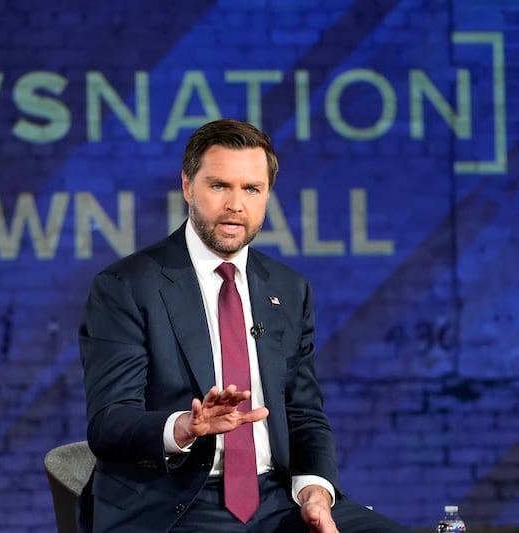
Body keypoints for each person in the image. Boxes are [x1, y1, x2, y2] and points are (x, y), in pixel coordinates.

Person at [77, 119, 409, 532]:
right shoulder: (126, 287)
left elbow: (304, 415)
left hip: (275, 497)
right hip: (177, 501)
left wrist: (315, 493)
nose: (236, 204)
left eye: (251, 189)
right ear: (187, 186)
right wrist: (186, 426)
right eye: (219, 186)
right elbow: (109, 423)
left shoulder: (288, 289)